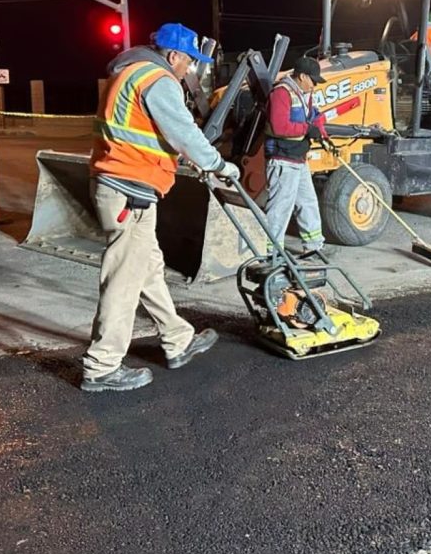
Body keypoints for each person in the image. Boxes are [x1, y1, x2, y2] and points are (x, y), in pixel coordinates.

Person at [82, 22, 241, 392]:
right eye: (189, 61)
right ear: (173, 56)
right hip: (129, 190)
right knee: (123, 279)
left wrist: (181, 161)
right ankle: (101, 365)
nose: (189, 70)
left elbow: (149, 134)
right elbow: (183, 131)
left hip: (123, 185)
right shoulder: (159, 79)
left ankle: (177, 339)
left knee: (148, 268)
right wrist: (217, 164)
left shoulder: (130, 74)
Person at [264, 56, 329, 256]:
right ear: (301, 76)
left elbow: (314, 115)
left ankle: (314, 247)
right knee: (280, 208)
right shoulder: (281, 93)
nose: (315, 85)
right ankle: (271, 253)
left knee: (308, 202)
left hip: (299, 159)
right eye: (313, 80)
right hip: (283, 160)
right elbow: (279, 126)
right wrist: (307, 129)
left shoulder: (303, 93)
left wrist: (320, 130)